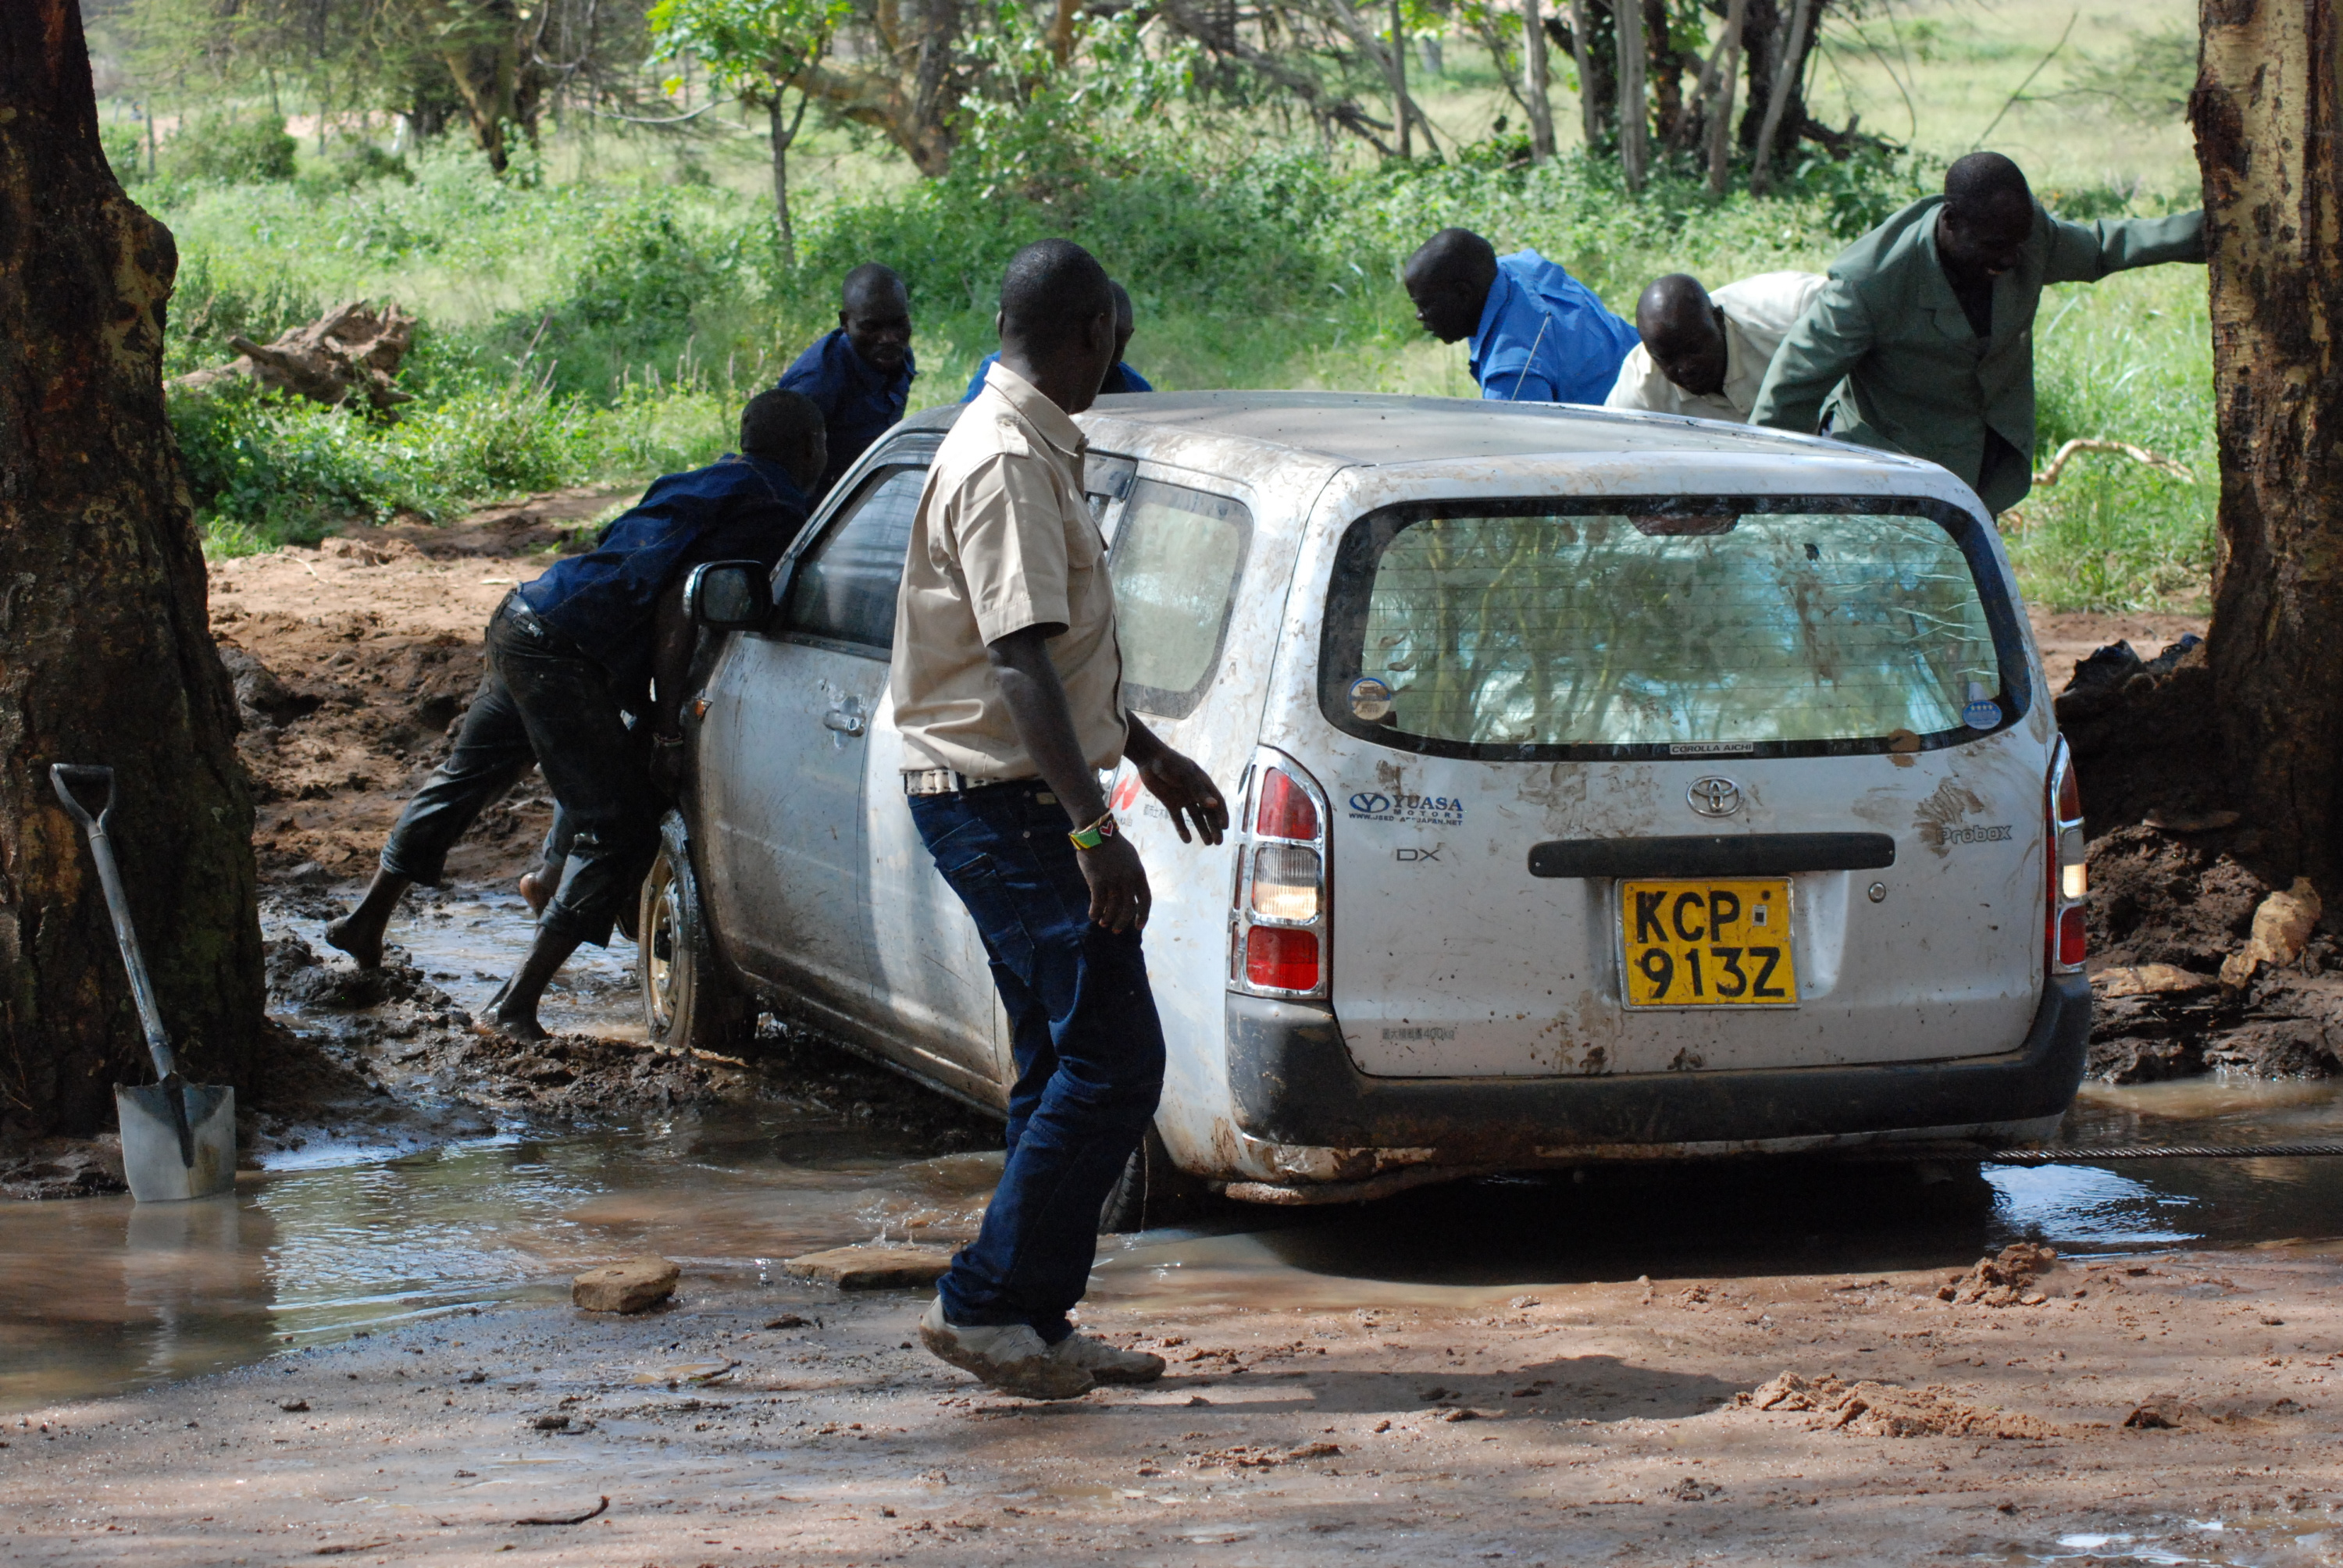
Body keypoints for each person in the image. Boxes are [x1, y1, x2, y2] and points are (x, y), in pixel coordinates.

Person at [892, 239, 1229, 1400]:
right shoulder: (1002, 462)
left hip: (1019, 794)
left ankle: (1028, 1315)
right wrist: (1095, 830)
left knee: (1060, 1059)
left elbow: (1057, 656)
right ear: (1092, 334)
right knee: (1115, 1062)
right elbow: (1020, 662)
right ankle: (985, 1303)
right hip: (1003, 806)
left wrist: (1149, 748)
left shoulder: (1029, 446)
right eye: (1113, 349)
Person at [327, 391, 826, 1034]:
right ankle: (514, 1004)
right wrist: (670, 728)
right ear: (813, 448)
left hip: (523, 614)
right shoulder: (778, 506)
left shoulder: (709, 478)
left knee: (468, 777)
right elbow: (682, 603)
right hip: (565, 652)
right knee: (618, 828)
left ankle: (365, 920)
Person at [1749, 151, 2205, 514]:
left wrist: (2212, 230)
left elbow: (2105, 247)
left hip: (1976, 462)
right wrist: (1757, 493)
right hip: (1881, 466)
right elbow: (1792, 386)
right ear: (1949, 222)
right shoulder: (1868, 285)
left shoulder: (2027, 239)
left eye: (2018, 243)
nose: (2010, 260)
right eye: (1993, 246)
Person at [1402, 227, 1639, 404]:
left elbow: (1522, 461)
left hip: (1640, 426)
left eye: (1425, 305)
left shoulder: (1512, 376)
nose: (1420, 316)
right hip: (1647, 362)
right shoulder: (1521, 268)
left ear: (1464, 293)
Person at [1604, 271, 1826, 422]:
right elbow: (1608, 454)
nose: (1685, 368)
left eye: (1693, 349)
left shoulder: (1792, 313)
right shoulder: (1640, 390)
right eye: (1666, 359)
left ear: (1719, 320)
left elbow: (1853, 312)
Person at [776, 263, 915, 501]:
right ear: (845, 322)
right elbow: (781, 477)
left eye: (898, 324)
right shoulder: (817, 384)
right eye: (872, 327)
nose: (889, 338)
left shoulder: (898, 358)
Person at [963, 280, 1153, 401]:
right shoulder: (999, 372)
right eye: (1093, 341)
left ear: (1128, 337)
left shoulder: (1134, 389)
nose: (1104, 354)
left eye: (1116, 346)